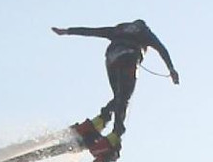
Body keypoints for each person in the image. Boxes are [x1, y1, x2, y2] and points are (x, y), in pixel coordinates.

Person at [51, 20, 179, 142]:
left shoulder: (119, 29)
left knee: (119, 97)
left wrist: (67, 31)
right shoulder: (144, 32)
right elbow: (162, 49)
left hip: (111, 60)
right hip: (129, 58)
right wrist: (171, 69)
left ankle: (100, 121)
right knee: (124, 98)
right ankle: (116, 134)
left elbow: (93, 31)